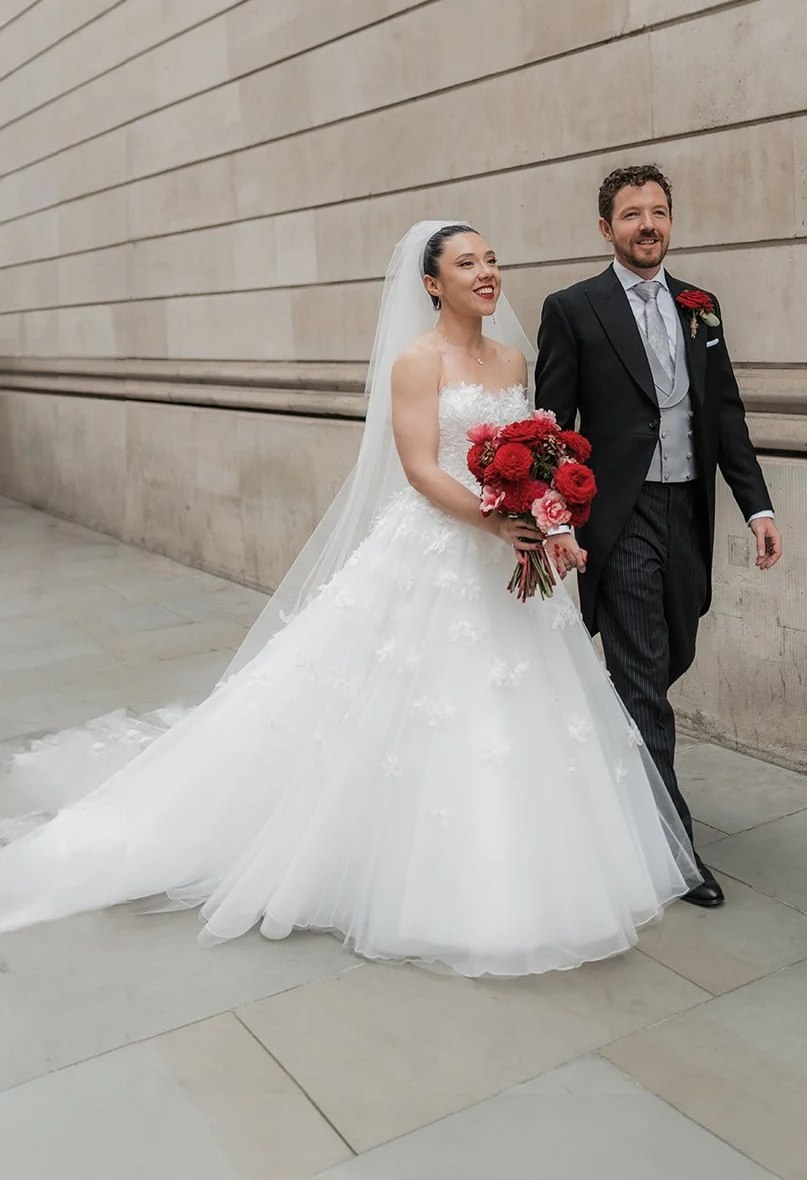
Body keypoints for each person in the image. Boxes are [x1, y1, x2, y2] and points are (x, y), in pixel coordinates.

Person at [0, 221, 698, 976]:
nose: (486, 273)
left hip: (511, 557)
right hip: (443, 548)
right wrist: (495, 521)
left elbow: (536, 455)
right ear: (431, 283)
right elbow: (422, 470)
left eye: (492, 260)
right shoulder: (417, 361)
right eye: (466, 263)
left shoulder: (511, 360)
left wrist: (546, 519)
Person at [535, 165, 782, 909]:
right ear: (605, 228)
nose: (648, 225)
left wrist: (757, 507)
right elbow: (553, 427)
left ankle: (605, 773)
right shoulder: (573, 309)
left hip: (688, 512)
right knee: (644, 680)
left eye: (659, 212)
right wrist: (557, 520)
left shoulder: (700, 306)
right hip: (620, 516)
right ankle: (673, 852)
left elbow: (725, 414)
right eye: (632, 214)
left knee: (672, 651)